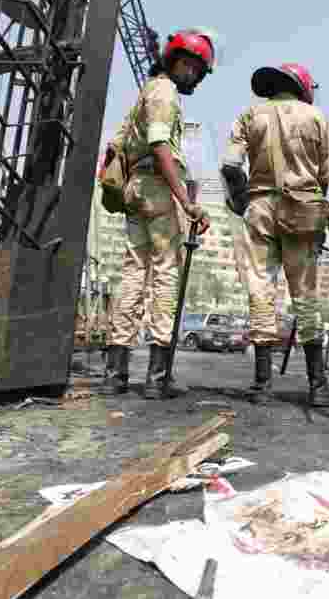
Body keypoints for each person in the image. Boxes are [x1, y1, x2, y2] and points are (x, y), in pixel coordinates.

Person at [101, 29, 215, 399]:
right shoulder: (164, 93)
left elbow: (117, 147)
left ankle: (115, 373)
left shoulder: (147, 91)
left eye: (197, 69)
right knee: (166, 274)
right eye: (190, 66)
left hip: (137, 187)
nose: (192, 74)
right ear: (174, 61)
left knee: (134, 273)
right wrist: (186, 199)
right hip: (158, 187)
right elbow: (160, 144)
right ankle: (156, 376)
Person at [221, 63, 329, 405]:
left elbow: (230, 166)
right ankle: (318, 386)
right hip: (304, 208)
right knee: (307, 295)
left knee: (260, 289)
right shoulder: (316, 117)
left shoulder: (250, 114)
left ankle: (262, 384)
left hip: (260, 207)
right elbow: (326, 173)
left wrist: (244, 201)